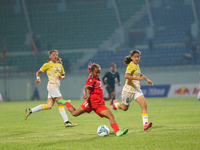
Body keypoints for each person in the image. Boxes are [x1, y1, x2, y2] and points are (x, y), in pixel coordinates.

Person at [58, 62, 128, 136]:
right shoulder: (91, 78)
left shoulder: (97, 78)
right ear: (91, 72)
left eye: (99, 72)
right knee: (74, 113)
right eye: (96, 72)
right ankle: (66, 102)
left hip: (96, 103)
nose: (98, 74)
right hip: (94, 103)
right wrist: (85, 94)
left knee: (110, 116)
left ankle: (118, 131)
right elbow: (86, 87)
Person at [24, 50, 77, 127]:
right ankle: (66, 121)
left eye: (56, 55)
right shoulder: (47, 65)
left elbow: (64, 75)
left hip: (56, 87)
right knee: (61, 102)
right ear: (50, 56)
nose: (55, 56)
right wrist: (38, 78)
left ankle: (30, 110)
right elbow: (38, 72)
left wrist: (61, 77)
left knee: (49, 106)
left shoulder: (60, 65)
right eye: (53, 55)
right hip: (52, 86)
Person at [113, 50, 153, 131]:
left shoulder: (137, 65)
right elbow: (126, 76)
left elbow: (139, 74)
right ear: (131, 57)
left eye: (138, 57)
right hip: (128, 91)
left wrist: (146, 79)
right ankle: (116, 105)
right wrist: (138, 79)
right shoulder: (131, 65)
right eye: (135, 57)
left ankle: (145, 124)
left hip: (136, 89)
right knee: (124, 108)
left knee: (144, 105)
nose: (137, 58)